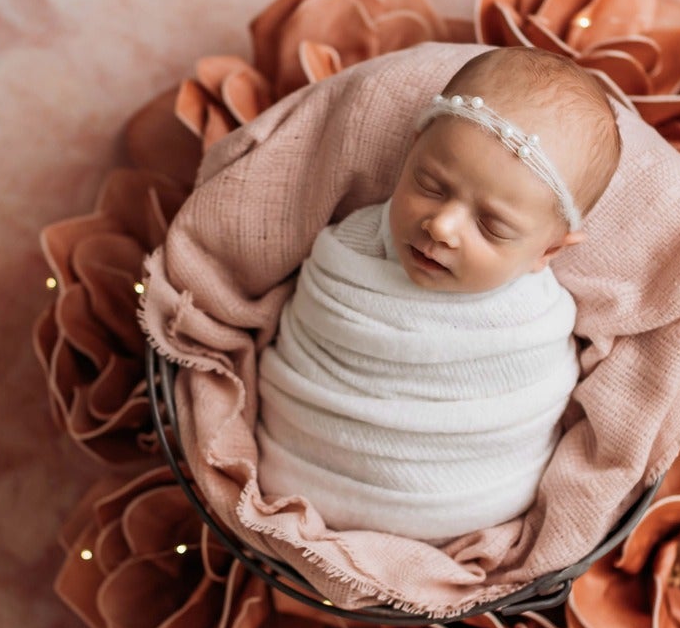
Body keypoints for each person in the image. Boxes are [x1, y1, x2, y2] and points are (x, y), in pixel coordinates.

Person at [252, 46, 624, 542]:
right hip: (299, 468)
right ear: (410, 151)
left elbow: (533, 405)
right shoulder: (353, 246)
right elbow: (308, 328)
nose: (442, 226)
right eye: (428, 184)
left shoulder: (534, 320)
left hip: (462, 509)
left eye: (491, 226)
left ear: (548, 250)